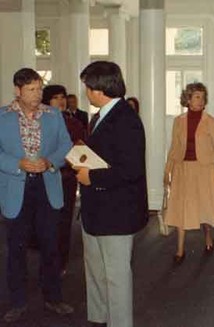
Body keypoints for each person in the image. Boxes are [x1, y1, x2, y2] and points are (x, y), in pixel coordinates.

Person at [75, 61, 148, 327]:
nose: (86, 91)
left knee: (116, 275)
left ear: (98, 88)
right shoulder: (102, 115)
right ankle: (99, 316)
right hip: (97, 207)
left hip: (116, 211)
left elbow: (131, 170)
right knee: (94, 269)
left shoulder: (125, 119)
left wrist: (90, 176)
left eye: (87, 86)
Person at [0, 68, 74, 323]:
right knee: (16, 249)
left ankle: (53, 298)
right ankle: (18, 302)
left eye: (39, 88)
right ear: (17, 91)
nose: (37, 94)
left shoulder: (53, 115)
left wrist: (50, 162)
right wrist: (17, 164)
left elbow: (66, 145)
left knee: (50, 245)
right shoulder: (2, 116)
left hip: (47, 185)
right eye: (31, 90)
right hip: (16, 187)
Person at [164, 82, 214, 264]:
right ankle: (180, 250)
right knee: (181, 208)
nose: (201, 100)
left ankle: (208, 236)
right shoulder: (179, 121)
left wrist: (207, 159)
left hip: (203, 170)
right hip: (182, 169)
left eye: (202, 97)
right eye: (197, 97)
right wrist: (167, 170)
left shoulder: (210, 121)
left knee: (204, 206)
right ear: (188, 99)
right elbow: (174, 147)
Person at [42, 85, 86, 276]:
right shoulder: (39, 123)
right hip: (44, 178)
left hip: (66, 179)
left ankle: (60, 264)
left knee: (64, 223)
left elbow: (81, 151)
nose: (60, 101)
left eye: (63, 97)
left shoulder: (74, 124)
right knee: (45, 223)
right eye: (55, 97)